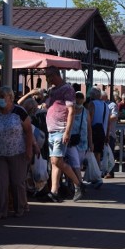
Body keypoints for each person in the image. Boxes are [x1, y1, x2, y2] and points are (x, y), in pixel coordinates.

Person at [0, 86, 34, 220]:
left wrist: (29, 149)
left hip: (18, 152)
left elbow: (28, 131)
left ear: (11, 98)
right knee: (0, 183)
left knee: (17, 182)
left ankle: (20, 208)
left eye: (2, 96)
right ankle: (0, 210)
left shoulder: (20, 112)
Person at [44, 66, 85, 202]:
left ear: (54, 75)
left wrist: (67, 131)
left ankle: (78, 184)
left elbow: (71, 111)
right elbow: (47, 106)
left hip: (60, 130)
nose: (46, 78)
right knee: (55, 162)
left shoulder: (67, 89)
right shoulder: (53, 90)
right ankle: (54, 191)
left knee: (57, 160)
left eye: (47, 76)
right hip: (52, 130)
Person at [87, 87, 110, 165]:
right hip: (102, 132)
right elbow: (109, 121)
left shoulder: (92, 104)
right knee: (98, 152)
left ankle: (94, 171)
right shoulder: (105, 105)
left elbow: (90, 118)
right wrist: (107, 135)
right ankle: (98, 170)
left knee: (92, 152)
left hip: (93, 131)